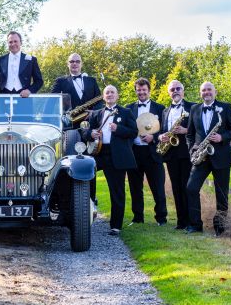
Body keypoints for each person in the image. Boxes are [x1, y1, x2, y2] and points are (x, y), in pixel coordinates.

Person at [186, 81, 231, 235]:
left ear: (215, 92)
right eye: (203, 90)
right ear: (200, 93)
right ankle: (195, 225)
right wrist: (192, 149)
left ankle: (220, 229)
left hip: (221, 157)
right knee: (191, 188)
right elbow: (190, 134)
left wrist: (222, 137)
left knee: (221, 194)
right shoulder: (194, 109)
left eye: (209, 90)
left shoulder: (225, 107)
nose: (206, 92)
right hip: (201, 157)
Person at [82, 85, 137, 236]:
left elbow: (134, 132)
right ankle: (85, 218)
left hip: (116, 156)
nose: (110, 94)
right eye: (107, 93)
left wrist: (118, 129)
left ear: (117, 95)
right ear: (103, 96)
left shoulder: (126, 112)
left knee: (117, 191)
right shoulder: (96, 113)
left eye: (113, 92)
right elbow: (85, 131)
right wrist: (90, 134)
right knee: (85, 183)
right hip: (98, 154)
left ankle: (115, 226)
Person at [126, 77, 167, 226]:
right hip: (134, 152)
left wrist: (154, 137)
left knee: (158, 187)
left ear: (149, 91)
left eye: (144, 90)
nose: (141, 92)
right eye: (139, 90)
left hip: (153, 153)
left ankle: (161, 218)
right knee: (135, 187)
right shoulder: (128, 108)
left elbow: (164, 130)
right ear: (136, 91)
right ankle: (138, 218)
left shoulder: (160, 108)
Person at [157, 80, 194, 230]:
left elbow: (200, 127)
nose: (175, 91)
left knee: (187, 187)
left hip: (186, 152)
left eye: (178, 88)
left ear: (183, 91)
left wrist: (186, 131)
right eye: (172, 89)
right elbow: (161, 130)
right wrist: (161, 137)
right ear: (169, 92)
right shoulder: (165, 111)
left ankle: (191, 221)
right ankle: (181, 222)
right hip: (171, 154)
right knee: (176, 187)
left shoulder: (193, 107)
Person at [0, 31, 43, 99]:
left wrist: (29, 90)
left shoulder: (31, 60)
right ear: (8, 43)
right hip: (4, 99)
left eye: (15, 41)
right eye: (10, 42)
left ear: (20, 42)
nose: (13, 44)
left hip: (25, 99)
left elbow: (39, 81)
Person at [50, 53, 102, 126]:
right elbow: (51, 100)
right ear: (68, 64)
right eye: (72, 61)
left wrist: (93, 112)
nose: (75, 63)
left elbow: (99, 100)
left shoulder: (92, 80)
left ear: (81, 64)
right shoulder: (60, 81)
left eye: (78, 61)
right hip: (70, 124)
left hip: (91, 122)